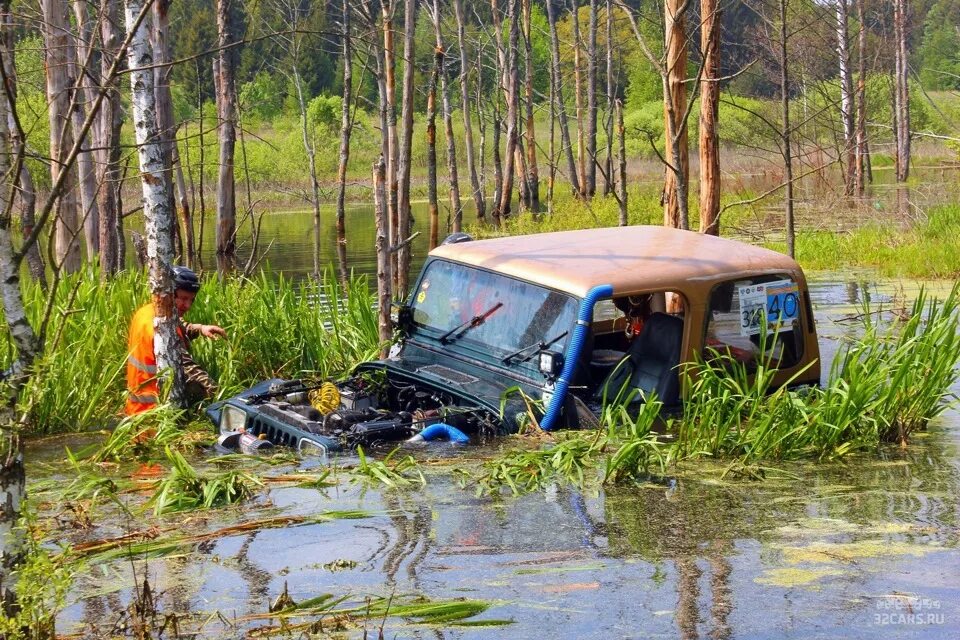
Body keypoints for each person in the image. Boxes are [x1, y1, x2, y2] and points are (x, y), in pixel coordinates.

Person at [125, 266, 227, 415]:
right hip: (155, 415)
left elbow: (178, 324)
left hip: (134, 410)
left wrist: (199, 328)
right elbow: (189, 368)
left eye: (191, 300)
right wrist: (222, 397)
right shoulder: (163, 330)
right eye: (183, 298)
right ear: (169, 294)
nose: (187, 306)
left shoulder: (150, 312)